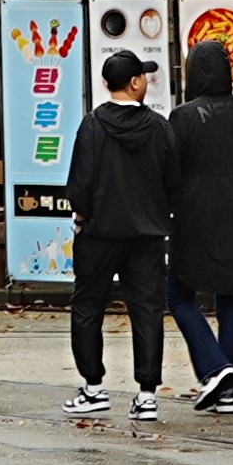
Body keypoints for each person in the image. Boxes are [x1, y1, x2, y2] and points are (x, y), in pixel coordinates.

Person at [63, 48, 180, 422]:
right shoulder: (159, 127)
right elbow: (173, 182)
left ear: (105, 83)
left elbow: (80, 183)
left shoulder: (92, 126)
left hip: (99, 232)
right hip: (147, 236)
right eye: (143, 76)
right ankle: (146, 396)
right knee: (147, 310)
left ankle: (93, 388)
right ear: (134, 82)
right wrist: (162, 214)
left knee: (87, 307)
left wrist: (83, 216)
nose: (146, 81)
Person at [166, 37, 233, 409]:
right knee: (230, 301)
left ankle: (215, 368)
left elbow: (171, 169)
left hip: (194, 213)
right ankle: (229, 390)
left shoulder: (183, 116)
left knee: (179, 296)